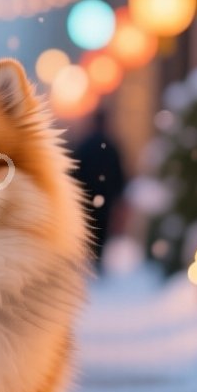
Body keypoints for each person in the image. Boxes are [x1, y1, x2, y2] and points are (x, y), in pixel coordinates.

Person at [70, 108, 128, 274]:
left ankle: (87, 259)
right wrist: (118, 193)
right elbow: (119, 173)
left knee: (88, 226)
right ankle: (97, 261)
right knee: (102, 229)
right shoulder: (111, 146)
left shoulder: (85, 145)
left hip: (87, 195)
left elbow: (75, 170)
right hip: (105, 196)